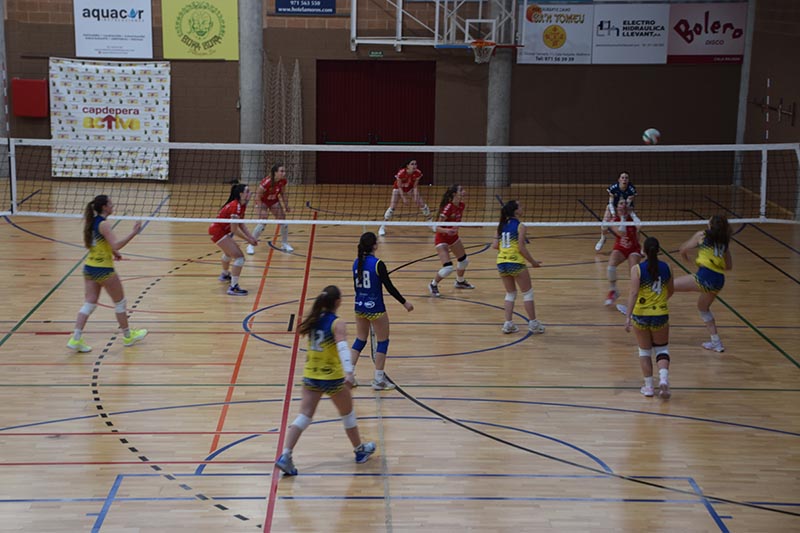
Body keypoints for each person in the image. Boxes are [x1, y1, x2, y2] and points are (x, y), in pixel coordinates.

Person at [275, 285, 376, 476]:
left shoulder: (314, 319)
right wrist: (349, 372)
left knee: (304, 416)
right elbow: (343, 348)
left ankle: (285, 455)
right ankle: (360, 451)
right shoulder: (337, 323)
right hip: (331, 377)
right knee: (348, 414)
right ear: (338, 302)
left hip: (311, 374)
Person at [66, 195, 148, 353]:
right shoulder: (104, 224)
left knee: (89, 304)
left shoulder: (92, 222)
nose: (113, 205)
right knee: (120, 303)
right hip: (103, 269)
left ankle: (75, 338)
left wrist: (114, 252)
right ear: (104, 207)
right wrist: (133, 233)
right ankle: (128, 336)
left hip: (89, 268)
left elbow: (102, 244)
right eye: (110, 203)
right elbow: (116, 243)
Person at [351, 232, 414, 391]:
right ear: (374, 246)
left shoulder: (356, 263)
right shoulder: (378, 264)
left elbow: (356, 287)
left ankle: (348, 376)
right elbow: (390, 287)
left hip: (359, 306)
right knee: (382, 342)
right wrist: (404, 302)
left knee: (360, 339)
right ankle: (379, 380)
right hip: (375, 308)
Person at [623, 236, 674, 399]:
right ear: (658, 251)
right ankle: (663, 379)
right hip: (660, 314)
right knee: (662, 349)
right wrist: (660, 302)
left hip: (641, 315)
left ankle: (649, 387)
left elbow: (634, 293)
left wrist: (628, 316)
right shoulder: (667, 267)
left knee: (644, 351)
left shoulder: (637, 269)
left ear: (643, 251)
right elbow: (671, 290)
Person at [673, 215, 733, 353]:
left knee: (668, 285)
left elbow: (683, 249)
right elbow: (729, 266)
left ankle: (645, 314)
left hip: (706, 275)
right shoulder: (724, 241)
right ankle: (716, 343)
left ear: (711, 224)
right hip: (719, 279)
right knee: (703, 308)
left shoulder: (702, 235)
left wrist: (685, 258)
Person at [491, 200, 545, 335]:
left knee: (510, 293)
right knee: (527, 293)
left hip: (502, 262)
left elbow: (495, 246)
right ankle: (533, 324)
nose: (522, 207)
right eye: (520, 206)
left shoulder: (501, 225)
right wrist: (533, 262)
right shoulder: (521, 226)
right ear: (515, 211)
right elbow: (521, 248)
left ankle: (508, 324)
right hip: (516, 262)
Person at [209, 183, 259, 296]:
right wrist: (248, 240)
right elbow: (234, 230)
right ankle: (233, 287)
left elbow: (241, 224)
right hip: (218, 232)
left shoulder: (242, 205)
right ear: (241, 194)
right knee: (239, 258)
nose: (250, 193)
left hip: (221, 231)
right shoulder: (235, 206)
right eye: (247, 191)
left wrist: (251, 237)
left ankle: (225, 274)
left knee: (229, 253)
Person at [428, 184, 475, 296]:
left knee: (464, 261)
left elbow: (457, 223)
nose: (464, 192)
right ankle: (433, 284)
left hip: (453, 238)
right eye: (461, 190)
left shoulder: (461, 205)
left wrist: (473, 225)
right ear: (455, 194)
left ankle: (460, 281)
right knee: (448, 268)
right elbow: (436, 227)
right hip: (442, 238)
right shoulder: (448, 207)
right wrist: (447, 231)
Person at [247, 163, 293, 254]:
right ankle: (250, 245)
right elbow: (257, 196)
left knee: (283, 221)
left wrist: (286, 206)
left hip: (273, 201)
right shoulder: (266, 182)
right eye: (281, 171)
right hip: (262, 201)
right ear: (275, 172)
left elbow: (283, 193)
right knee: (262, 221)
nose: (284, 173)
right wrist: (261, 209)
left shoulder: (283, 181)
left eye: (284, 171)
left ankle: (284, 243)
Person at [378, 159, 433, 237]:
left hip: (410, 188)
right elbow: (399, 186)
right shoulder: (401, 173)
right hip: (398, 188)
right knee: (392, 207)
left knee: (422, 204)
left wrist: (416, 197)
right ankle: (382, 227)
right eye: (412, 164)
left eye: (415, 164)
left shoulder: (418, 173)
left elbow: (415, 186)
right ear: (407, 166)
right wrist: (403, 198)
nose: (414, 166)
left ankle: (431, 223)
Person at [604, 198, 643, 306]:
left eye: (625, 203)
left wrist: (632, 214)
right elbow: (621, 233)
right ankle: (613, 291)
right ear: (617, 207)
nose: (623, 205)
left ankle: (638, 295)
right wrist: (623, 218)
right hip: (620, 248)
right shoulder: (614, 220)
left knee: (633, 272)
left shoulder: (633, 218)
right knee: (610, 267)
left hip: (633, 248)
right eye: (621, 203)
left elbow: (640, 226)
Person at [596, 171, 640, 251]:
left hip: (626, 207)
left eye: (626, 178)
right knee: (604, 224)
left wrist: (623, 213)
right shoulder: (613, 188)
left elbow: (627, 204)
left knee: (636, 225)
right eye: (622, 178)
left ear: (628, 180)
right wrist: (613, 214)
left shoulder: (631, 189)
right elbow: (610, 202)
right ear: (619, 179)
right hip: (613, 206)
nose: (624, 179)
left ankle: (636, 244)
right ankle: (603, 238)